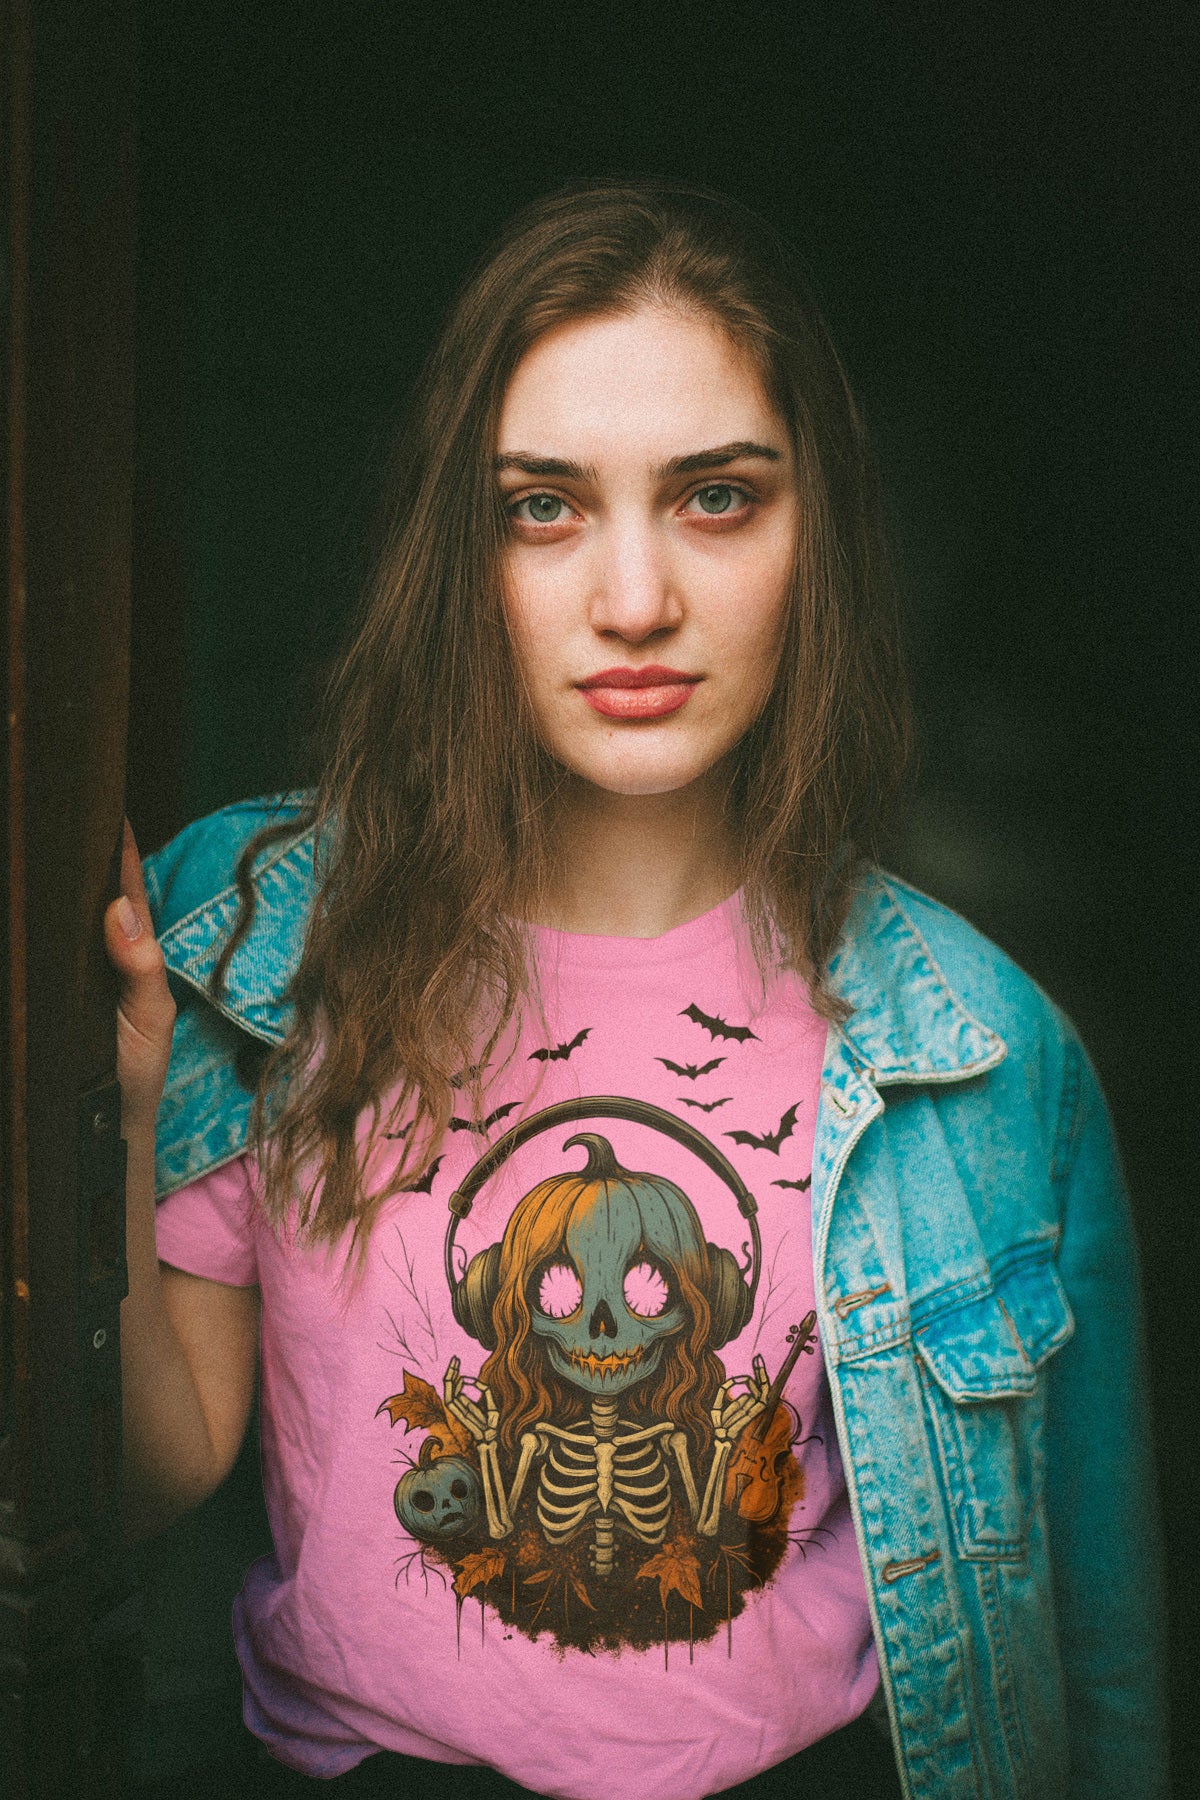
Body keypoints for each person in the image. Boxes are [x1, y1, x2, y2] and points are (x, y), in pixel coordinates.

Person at [105, 182, 1166, 1800]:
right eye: (544, 507)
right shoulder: (264, 944)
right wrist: (111, 1132)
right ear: (459, 553)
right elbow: (142, 1470)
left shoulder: (984, 1054)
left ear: (820, 531)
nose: (634, 601)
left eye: (716, 498)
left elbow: (1100, 1654)